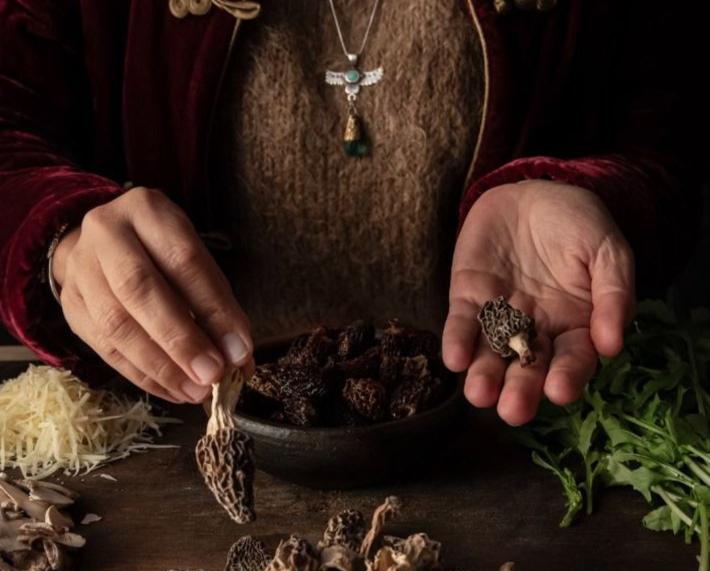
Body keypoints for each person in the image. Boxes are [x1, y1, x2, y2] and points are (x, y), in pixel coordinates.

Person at [0, 0, 701, 425]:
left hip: (512, 437)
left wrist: (592, 192)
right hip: (176, 449)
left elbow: (667, 127)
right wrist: (60, 233)